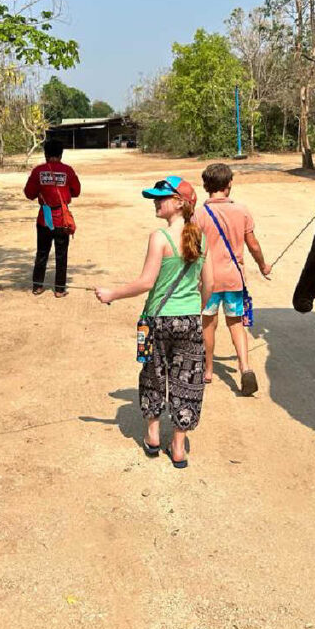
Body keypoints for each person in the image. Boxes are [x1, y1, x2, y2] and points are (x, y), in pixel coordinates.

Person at [95, 177, 213, 469]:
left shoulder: (159, 237)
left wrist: (111, 293)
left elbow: (146, 283)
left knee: (153, 375)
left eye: (161, 197)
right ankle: (178, 447)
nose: (156, 202)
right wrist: (193, 310)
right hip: (189, 320)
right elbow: (209, 285)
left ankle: (152, 436)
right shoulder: (201, 238)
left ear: (180, 203)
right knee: (188, 380)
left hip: (156, 320)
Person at [194, 163, 271, 396]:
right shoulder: (241, 211)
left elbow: (192, 249)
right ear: (229, 184)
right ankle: (245, 367)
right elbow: (253, 245)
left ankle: (208, 370)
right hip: (234, 279)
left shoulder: (199, 214)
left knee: (208, 323)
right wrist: (263, 265)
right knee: (236, 323)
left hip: (208, 280)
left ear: (206, 186)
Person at [24, 139, 80, 297]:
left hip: (44, 218)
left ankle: (37, 286)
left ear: (45, 154)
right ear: (61, 154)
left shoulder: (38, 171)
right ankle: (60, 290)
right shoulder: (68, 170)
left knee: (42, 253)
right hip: (62, 219)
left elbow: (29, 193)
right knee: (61, 255)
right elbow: (76, 191)